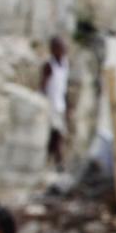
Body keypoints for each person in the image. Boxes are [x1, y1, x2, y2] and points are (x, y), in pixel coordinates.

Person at [39, 37, 70, 169]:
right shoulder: (49, 65)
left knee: (57, 133)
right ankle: (57, 162)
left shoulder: (64, 64)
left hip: (60, 104)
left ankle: (52, 161)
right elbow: (43, 86)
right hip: (50, 104)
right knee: (56, 133)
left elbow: (64, 86)